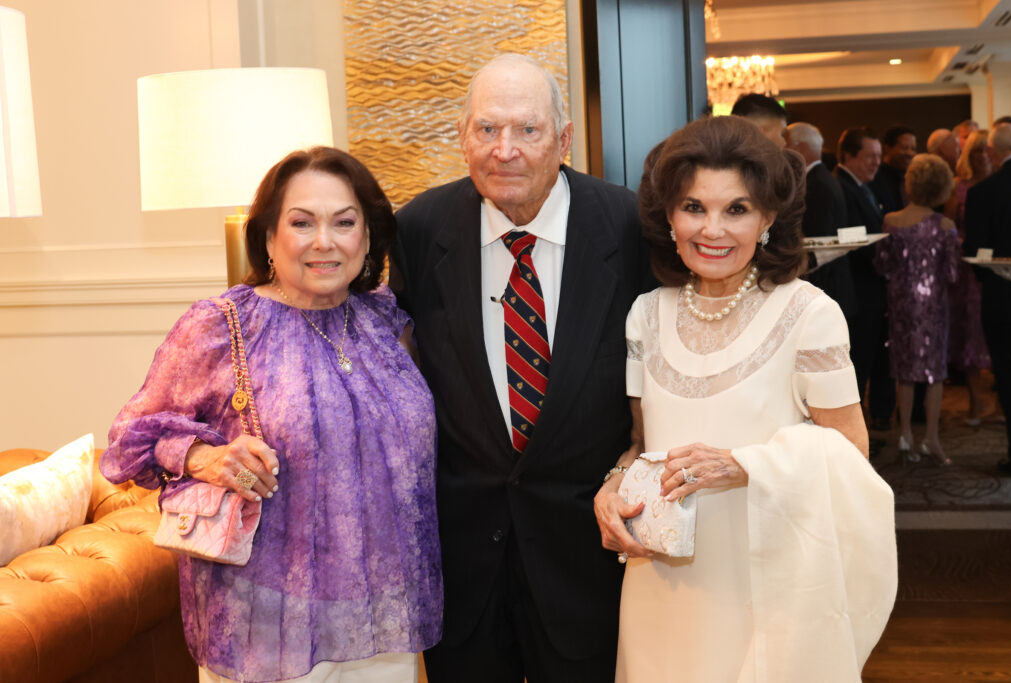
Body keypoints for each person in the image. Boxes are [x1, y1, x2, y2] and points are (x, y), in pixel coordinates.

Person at [101, 147, 442, 683]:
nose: (324, 241)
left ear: (368, 237)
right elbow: (128, 441)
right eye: (301, 222)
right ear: (267, 237)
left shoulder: (384, 321)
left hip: (379, 621)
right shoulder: (222, 326)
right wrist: (205, 456)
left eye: (344, 222)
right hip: (265, 624)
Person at [594, 115, 896, 682]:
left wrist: (746, 465)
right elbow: (640, 444)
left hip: (767, 591)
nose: (713, 229)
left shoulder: (809, 314)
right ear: (669, 217)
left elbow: (852, 450)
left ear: (768, 218)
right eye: (693, 207)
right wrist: (612, 486)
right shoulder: (646, 314)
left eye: (736, 209)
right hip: (660, 584)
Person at [393, 53, 652, 682]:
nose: (503, 149)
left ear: (563, 140)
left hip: (589, 558)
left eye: (527, 130)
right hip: (464, 567)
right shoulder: (419, 230)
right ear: (462, 137)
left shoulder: (629, 226)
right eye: (486, 129)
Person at [874, 154, 960, 464]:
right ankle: (931, 439)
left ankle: (904, 434)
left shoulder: (892, 221)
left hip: (900, 303)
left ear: (911, 184)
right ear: (942, 186)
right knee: (934, 373)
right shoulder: (946, 226)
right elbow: (952, 274)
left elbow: (881, 264)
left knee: (903, 372)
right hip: (934, 306)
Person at [964, 122, 1011, 475]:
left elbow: (976, 252)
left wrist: (991, 274)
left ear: (994, 151)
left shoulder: (984, 191)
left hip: (1002, 297)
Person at [834, 127, 895, 437]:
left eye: (879, 156)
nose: (876, 163)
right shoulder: (842, 187)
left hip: (871, 288)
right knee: (858, 362)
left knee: (870, 358)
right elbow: (850, 242)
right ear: (848, 156)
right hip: (859, 289)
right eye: (870, 156)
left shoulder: (864, 186)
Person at [784, 121, 855, 317]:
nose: (782, 149)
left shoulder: (816, 185)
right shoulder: (824, 178)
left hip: (826, 283)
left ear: (799, 147)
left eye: (786, 143)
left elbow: (816, 238)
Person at [949, 129, 992, 425]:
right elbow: (949, 227)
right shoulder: (959, 187)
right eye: (977, 151)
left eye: (987, 150)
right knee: (970, 335)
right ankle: (976, 404)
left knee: (998, 335)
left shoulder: (1005, 184)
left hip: (998, 269)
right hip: (966, 270)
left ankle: (1002, 404)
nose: (983, 156)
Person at [869, 125, 916, 215]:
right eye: (905, 148)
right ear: (887, 149)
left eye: (913, 149)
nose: (910, 153)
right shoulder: (874, 178)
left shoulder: (914, 180)